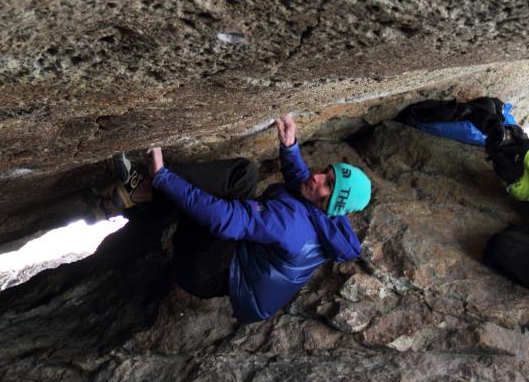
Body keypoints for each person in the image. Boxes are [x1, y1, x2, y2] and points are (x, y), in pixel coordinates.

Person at [114, 115, 372, 324]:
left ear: (331, 203)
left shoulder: (289, 225)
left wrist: (163, 177)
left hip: (204, 272)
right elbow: (301, 187)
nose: (317, 177)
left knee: (241, 177)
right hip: (225, 266)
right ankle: (146, 207)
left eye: (327, 184)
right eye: (326, 173)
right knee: (216, 195)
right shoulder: (329, 216)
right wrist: (290, 146)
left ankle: (147, 188)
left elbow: (225, 220)